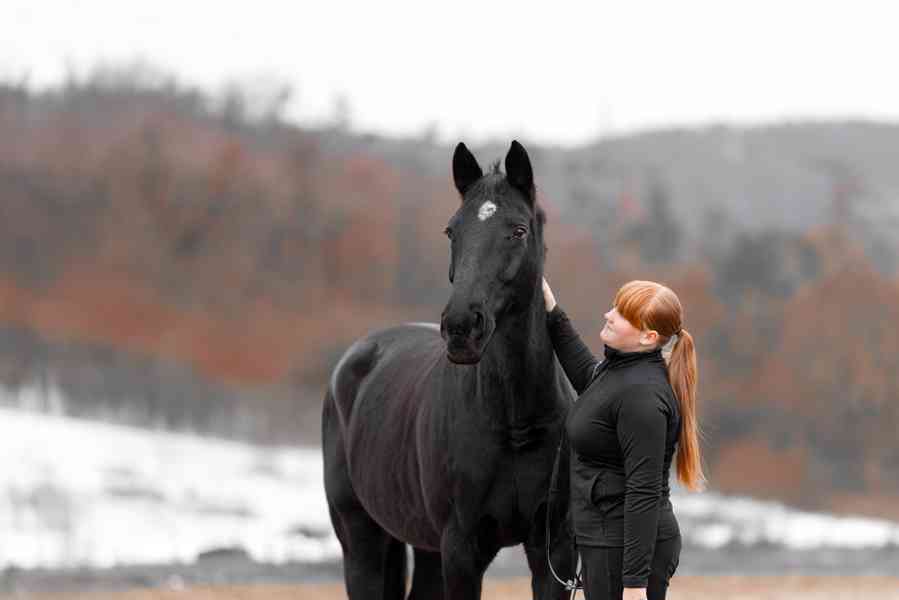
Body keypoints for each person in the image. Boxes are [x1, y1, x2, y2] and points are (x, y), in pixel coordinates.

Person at [542, 277, 705, 600]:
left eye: (622, 314)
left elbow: (642, 491)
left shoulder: (642, 397)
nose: (608, 314)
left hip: (622, 550)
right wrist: (550, 306)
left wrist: (634, 585)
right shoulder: (617, 373)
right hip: (606, 541)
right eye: (615, 306)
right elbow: (586, 375)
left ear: (648, 337)